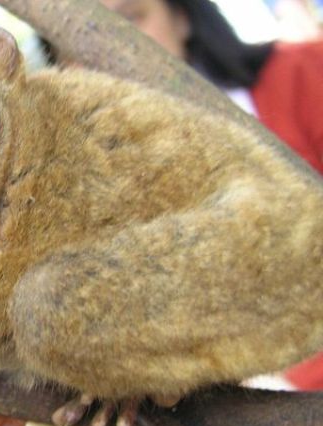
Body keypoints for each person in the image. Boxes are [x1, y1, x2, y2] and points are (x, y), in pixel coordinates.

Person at [101, 0, 323, 390]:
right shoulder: (109, 195)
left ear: (182, 19)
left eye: (131, 19)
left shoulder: (303, 73)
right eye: (71, 44)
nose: (106, 50)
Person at [101, 0, 323, 175]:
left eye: (130, 17)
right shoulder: (115, 166)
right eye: (90, 31)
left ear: (181, 17)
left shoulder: (306, 68)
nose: (110, 46)